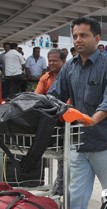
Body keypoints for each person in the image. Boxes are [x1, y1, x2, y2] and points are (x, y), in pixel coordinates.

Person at [48, 16, 107, 209]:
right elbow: (54, 96)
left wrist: (93, 120)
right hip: (79, 144)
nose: (78, 40)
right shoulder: (69, 67)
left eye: (84, 35)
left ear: (97, 38)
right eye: (75, 36)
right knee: (74, 200)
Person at [34, 49, 67, 196]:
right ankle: (56, 187)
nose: (52, 63)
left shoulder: (69, 77)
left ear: (63, 62)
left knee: (63, 158)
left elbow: (69, 103)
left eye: (55, 60)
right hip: (50, 121)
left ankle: (60, 189)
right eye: (50, 60)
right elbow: (37, 98)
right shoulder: (45, 78)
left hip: (66, 121)